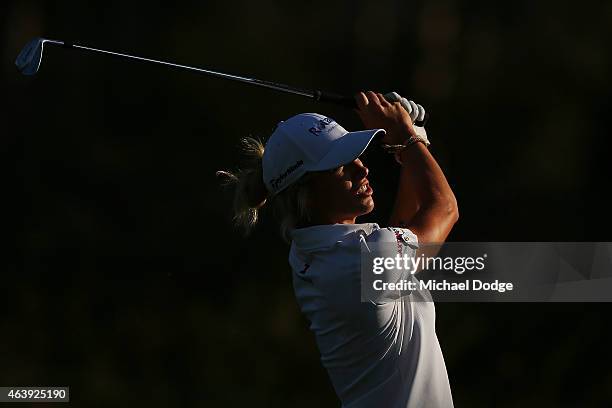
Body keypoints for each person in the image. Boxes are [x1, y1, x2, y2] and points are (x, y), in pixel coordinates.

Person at [217, 91, 458, 407]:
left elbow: (402, 230)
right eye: (339, 166)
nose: (361, 169)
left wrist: (410, 145)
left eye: (355, 155)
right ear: (306, 194)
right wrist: (409, 142)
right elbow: (444, 208)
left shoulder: (311, 253)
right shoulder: (361, 260)